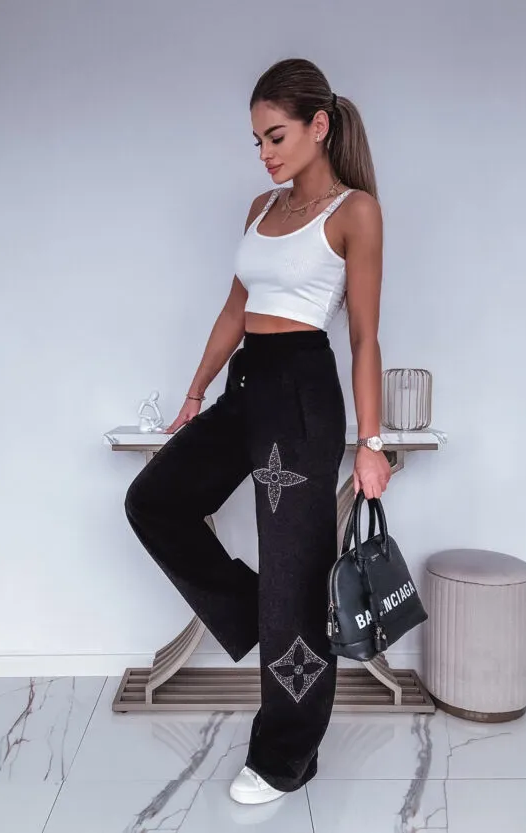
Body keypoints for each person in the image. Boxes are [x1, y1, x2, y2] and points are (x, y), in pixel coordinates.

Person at [124, 57, 391, 805]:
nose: (265, 153)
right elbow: (235, 308)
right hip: (247, 382)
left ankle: (285, 757)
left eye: (276, 136)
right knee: (154, 502)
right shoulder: (260, 208)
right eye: (257, 141)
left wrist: (371, 444)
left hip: (302, 393)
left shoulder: (355, 212)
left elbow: (364, 337)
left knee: (295, 575)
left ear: (318, 125)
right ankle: (262, 617)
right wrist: (194, 391)